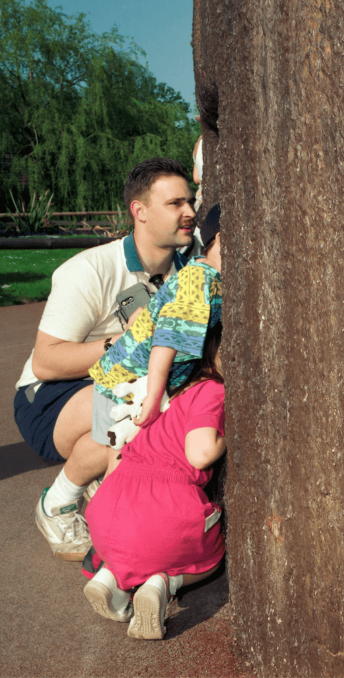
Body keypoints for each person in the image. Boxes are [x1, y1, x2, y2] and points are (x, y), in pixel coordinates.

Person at [13, 158, 197, 561]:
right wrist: (127, 341)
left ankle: (105, 476)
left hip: (120, 384)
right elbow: (46, 362)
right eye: (176, 204)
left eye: (192, 201)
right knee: (136, 401)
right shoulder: (89, 271)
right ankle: (58, 503)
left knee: (164, 399)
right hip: (50, 396)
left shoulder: (194, 261)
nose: (190, 213)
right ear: (140, 211)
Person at [83, 322, 226, 640]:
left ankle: (112, 581)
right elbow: (200, 453)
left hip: (108, 508)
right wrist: (229, 434)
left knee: (133, 549)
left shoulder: (162, 391)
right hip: (163, 511)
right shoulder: (213, 391)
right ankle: (165, 582)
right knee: (213, 556)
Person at [90, 203, 222, 478]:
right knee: (124, 454)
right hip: (126, 379)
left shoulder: (208, 276)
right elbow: (167, 339)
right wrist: (153, 394)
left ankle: (100, 496)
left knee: (122, 447)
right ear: (221, 239)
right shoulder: (200, 279)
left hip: (135, 377)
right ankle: (112, 502)